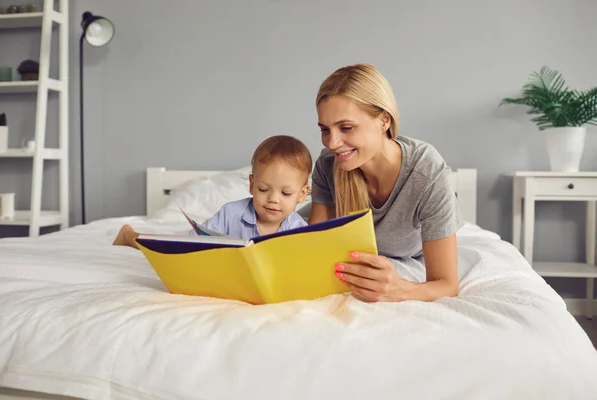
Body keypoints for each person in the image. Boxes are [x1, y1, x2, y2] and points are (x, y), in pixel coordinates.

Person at [309, 64, 464, 303]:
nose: (332, 142)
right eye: (324, 129)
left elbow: (446, 285)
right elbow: (315, 248)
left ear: (384, 121)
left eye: (346, 127)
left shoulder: (427, 174)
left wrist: (399, 289)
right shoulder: (329, 165)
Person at [113, 135, 312, 249]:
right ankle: (130, 236)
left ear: (302, 194)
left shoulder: (300, 230)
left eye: (286, 193)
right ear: (252, 184)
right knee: (169, 246)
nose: (273, 200)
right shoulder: (231, 214)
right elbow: (194, 243)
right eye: (263, 189)